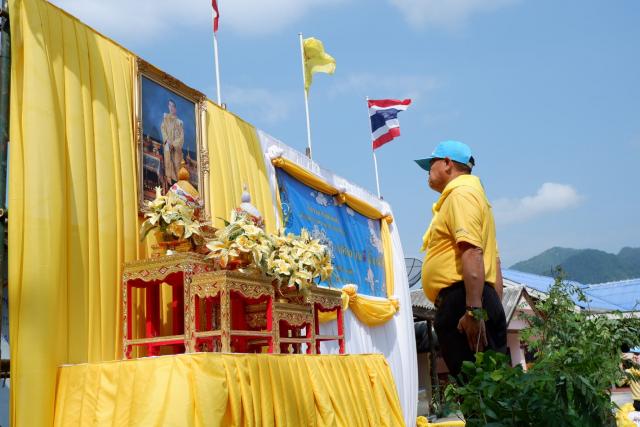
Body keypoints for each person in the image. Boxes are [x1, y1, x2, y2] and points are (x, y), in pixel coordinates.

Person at [415, 140, 507, 377]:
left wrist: (474, 312)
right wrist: (491, 309)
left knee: (476, 385)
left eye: (431, 164)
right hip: (474, 299)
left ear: (447, 163)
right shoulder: (471, 196)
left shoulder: (461, 194)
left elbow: (472, 252)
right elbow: (494, 264)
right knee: (487, 384)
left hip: (464, 301)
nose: (428, 171)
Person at [161, 99, 185, 186]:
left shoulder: (179, 122)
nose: (171, 108)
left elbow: (181, 137)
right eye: (169, 105)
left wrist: (173, 144)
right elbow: (163, 129)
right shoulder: (166, 118)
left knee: (176, 167)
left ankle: (176, 186)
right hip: (167, 146)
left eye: (173, 106)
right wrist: (167, 140)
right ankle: (168, 184)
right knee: (168, 165)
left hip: (176, 149)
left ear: (175, 108)